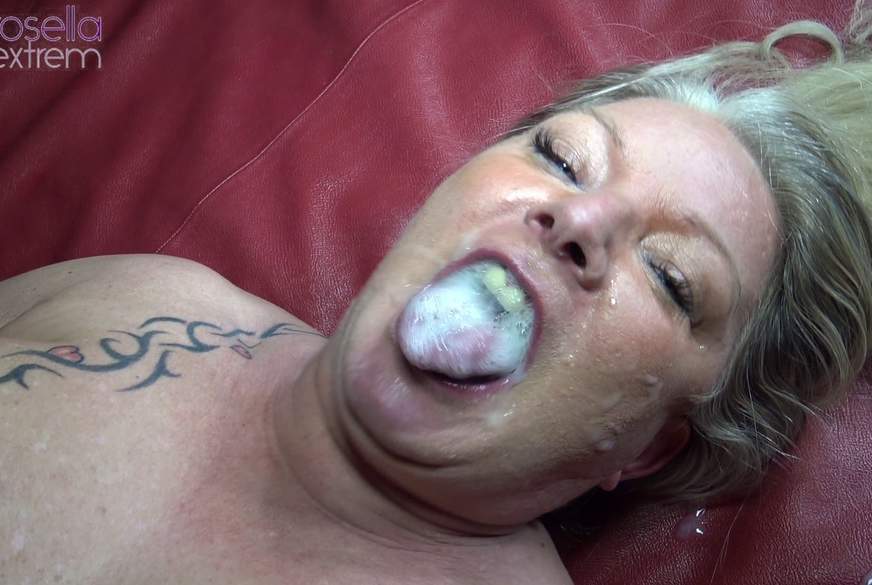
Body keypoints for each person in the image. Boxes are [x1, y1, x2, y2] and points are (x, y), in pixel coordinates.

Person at [2, 7, 872, 585]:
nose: (581, 216)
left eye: (671, 276)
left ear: (648, 448)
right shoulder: (142, 293)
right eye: (564, 157)